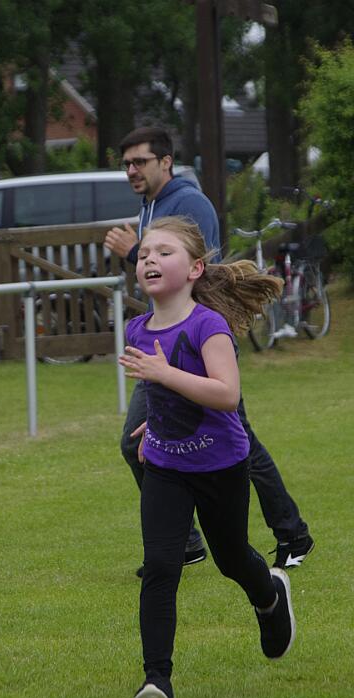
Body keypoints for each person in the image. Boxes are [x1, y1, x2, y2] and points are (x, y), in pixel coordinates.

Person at [104, 126, 314, 573]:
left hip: (197, 342)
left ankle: (284, 533)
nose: (131, 170)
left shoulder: (189, 202)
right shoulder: (151, 205)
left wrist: (133, 251)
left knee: (237, 438)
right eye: (126, 164)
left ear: (166, 161)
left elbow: (197, 271)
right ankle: (192, 541)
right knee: (161, 440)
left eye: (139, 161)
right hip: (164, 342)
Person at [119, 216, 296, 698]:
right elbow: (161, 394)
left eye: (164, 252)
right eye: (144, 254)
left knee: (231, 559)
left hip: (220, 466)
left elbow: (225, 394)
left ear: (195, 268)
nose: (149, 259)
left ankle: (270, 596)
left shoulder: (207, 325)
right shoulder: (137, 327)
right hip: (165, 467)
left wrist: (163, 373)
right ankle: (157, 683)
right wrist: (154, 425)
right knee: (161, 566)